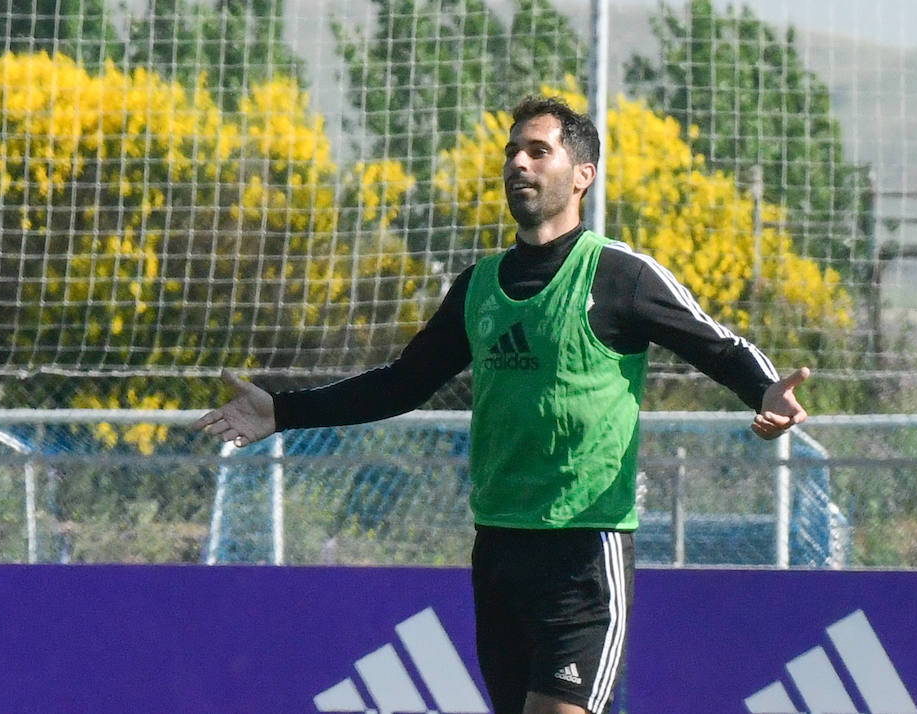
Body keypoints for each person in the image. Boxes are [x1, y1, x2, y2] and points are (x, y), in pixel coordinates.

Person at [195, 95, 809, 714]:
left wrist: (765, 390)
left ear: (582, 175)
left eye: (538, 151)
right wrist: (283, 411)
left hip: (583, 550)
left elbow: (718, 346)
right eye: (512, 150)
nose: (519, 162)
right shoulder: (478, 287)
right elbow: (401, 383)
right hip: (499, 550)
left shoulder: (618, 275)